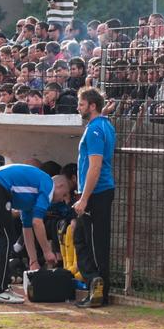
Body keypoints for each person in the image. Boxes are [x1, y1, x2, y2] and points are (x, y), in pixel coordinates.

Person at [0, 159, 66, 303]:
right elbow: (37, 222)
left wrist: (33, 260)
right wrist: (47, 252)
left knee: (4, 238)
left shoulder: (32, 196)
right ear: (60, 185)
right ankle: (1, 290)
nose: (62, 200)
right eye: (64, 195)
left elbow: (27, 228)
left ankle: (3, 287)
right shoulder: (48, 186)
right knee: (5, 240)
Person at [72, 87, 116, 308]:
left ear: (91, 106)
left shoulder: (94, 130)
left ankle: (99, 290)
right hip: (99, 192)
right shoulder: (104, 124)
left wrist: (84, 198)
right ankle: (95, 285)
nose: (78, 107)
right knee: (80, 237)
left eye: (81, 104)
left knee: (94, 243)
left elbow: (95, 166)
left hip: (96, 193)